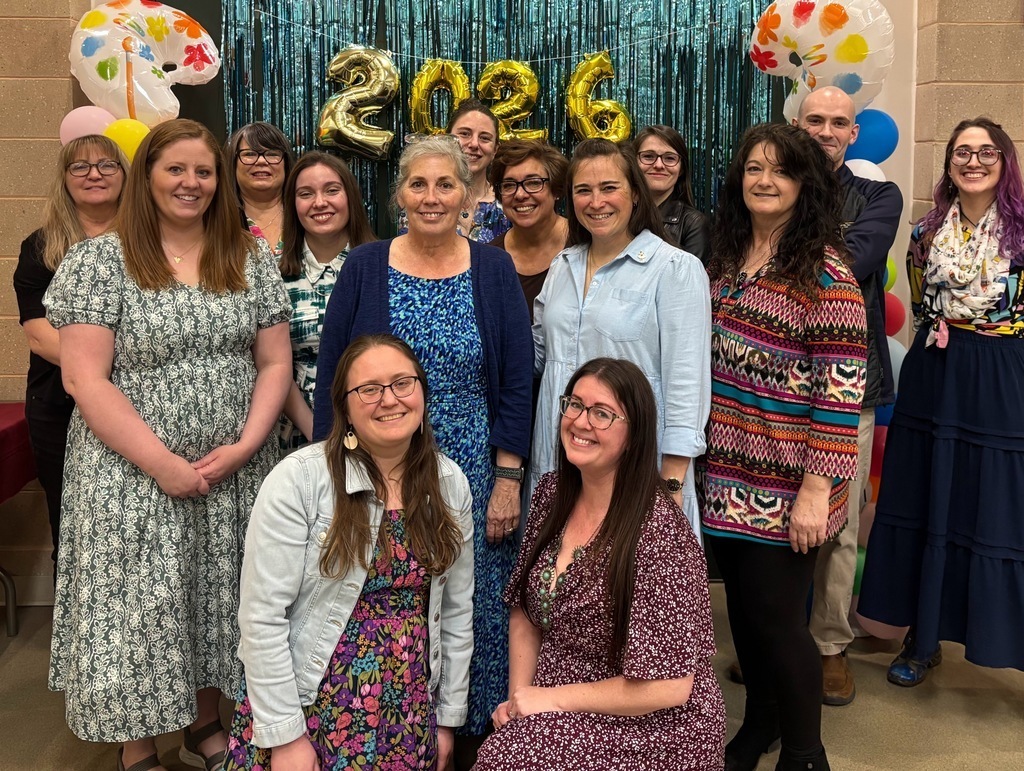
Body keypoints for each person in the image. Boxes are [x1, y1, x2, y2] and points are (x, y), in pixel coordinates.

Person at [44, 119, 292, 771]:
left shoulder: (246, 255)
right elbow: (83, 376)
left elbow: (273, 362)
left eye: (203, 171)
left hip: (232, 467)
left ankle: (207, 724)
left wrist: (244, 445)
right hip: (129, 470)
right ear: (147, 176)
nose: (191, 183)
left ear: (221, 180)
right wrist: (161, 462)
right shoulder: (99, 259)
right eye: (175, 169)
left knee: (219, 596)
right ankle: (139, 743)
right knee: (142, 604)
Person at [311, 135, 533, 768]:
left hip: (473, 463)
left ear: (467, 193)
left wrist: (509, 476)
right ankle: (391, 732)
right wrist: (338, 469)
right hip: (381, 464)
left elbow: (518, 378)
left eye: (445, 184)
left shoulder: (493, 269)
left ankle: (468, 741)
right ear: (398, 194)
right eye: (418, 184)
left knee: (473, 608)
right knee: (391, 598)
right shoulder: (365, 266)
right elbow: (335, 372)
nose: (432, 197)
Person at [223, 333, 474, 771]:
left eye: (402, 383)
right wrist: (285, 738)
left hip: (408, 711)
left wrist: (447, 720)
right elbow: (261, 617)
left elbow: (455, 614)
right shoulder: (299, 481)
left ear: (422, 392)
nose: (389, 400)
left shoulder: (450, 484)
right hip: (312, 705)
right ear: (346, 408)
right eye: (369, 389)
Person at [699, 123, 867, 771]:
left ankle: (805, 752)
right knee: (742, 614)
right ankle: (760, 724)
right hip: (729, 473)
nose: (763, 181)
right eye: (753, 168)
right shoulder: (727, 256)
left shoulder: (826, 271)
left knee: (779, 623)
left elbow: (841, 389)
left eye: (780, 170)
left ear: (805, 184)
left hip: (793, 484)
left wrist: (816, 492)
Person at [474, 357, 726, 770]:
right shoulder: (551, 495)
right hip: (557, 698)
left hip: (651, 723)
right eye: (574, 404)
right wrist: (520, 703)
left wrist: (550, 700)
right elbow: (524, 610)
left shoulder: (660, 530)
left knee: (508, 759)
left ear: (634, 434)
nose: (580, 421)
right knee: (507, 749)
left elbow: (670, 687)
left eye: (602, 413)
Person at [858, 117, 1024, 685]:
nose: (973, 161)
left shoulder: (1023, 232)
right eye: (962, 152)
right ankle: (922, 638)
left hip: (1002, 377)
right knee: (930, 500)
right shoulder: (926, 231)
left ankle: (1008, 642)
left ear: (1004, 162)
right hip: (935, 373)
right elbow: (924, 302)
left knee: (999, 508)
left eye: (986, 152)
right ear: (949, 162)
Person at [529, 138, 711, 539]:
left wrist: (672, 482)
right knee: (559, 586)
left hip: (636, 465)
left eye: (609, 187)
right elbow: (537, 354)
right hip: (559, 460)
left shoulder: (676, 269)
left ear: (635, 193)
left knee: (630, 590)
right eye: (583, 190)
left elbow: (687, 381)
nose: (596, 202)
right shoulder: (563, 265)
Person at [790, 86, 904, 705]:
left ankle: (830, 645)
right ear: (797, 124)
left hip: (847, 385)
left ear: (854, 134)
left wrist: (776, 260)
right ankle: (776, 640)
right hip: (768, 380)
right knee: (771, 515)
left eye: (838, 122)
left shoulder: (877, 197)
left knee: (835, 522)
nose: (826, 131)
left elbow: (856, 258)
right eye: (815, 120)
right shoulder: (767, 182)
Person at [13, 134, 127, 576]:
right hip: (59, 408)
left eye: (106, 165)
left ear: (125, 176)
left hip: (142, 402)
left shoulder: (152, 242)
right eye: (79, 166)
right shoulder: (41, 247)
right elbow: (40, 336)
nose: (94, 174)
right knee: (73, 527)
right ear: (64, 179)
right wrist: (118, 366)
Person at [277, 151, 376, 451]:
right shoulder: (273, 273)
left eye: (332, 190)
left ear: (351, 197)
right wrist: (318, 432)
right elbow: (272, 364)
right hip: (296, 435)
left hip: (373, 429)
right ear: (293, 205)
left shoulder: (381, 266)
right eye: (306, 194)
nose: (320, 203)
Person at [398, 101, 510, 242]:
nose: (474, 144)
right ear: (448, 140)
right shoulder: (419, 197)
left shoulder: (507, 202)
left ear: (495, 149)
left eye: (484, 138)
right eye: (465, 134)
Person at [488, 140, 570, 322]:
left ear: (555, 190)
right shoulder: (490, 261)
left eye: (533, 183)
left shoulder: (585, 244)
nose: (520, 194)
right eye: (509, 185)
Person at [635, 125, 711, 262]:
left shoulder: (694, 224)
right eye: (648, 156)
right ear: (633, 163)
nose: (659, 165)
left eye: (669, 158)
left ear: (681, 169)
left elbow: (689, 280)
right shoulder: (619, 215)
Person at [226, 121, 296, 255]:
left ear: (286, 163)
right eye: (249, 154)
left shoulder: (304, 214)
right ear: (233, 163)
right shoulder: (217, 219)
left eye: (272, 153)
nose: (261, 161)